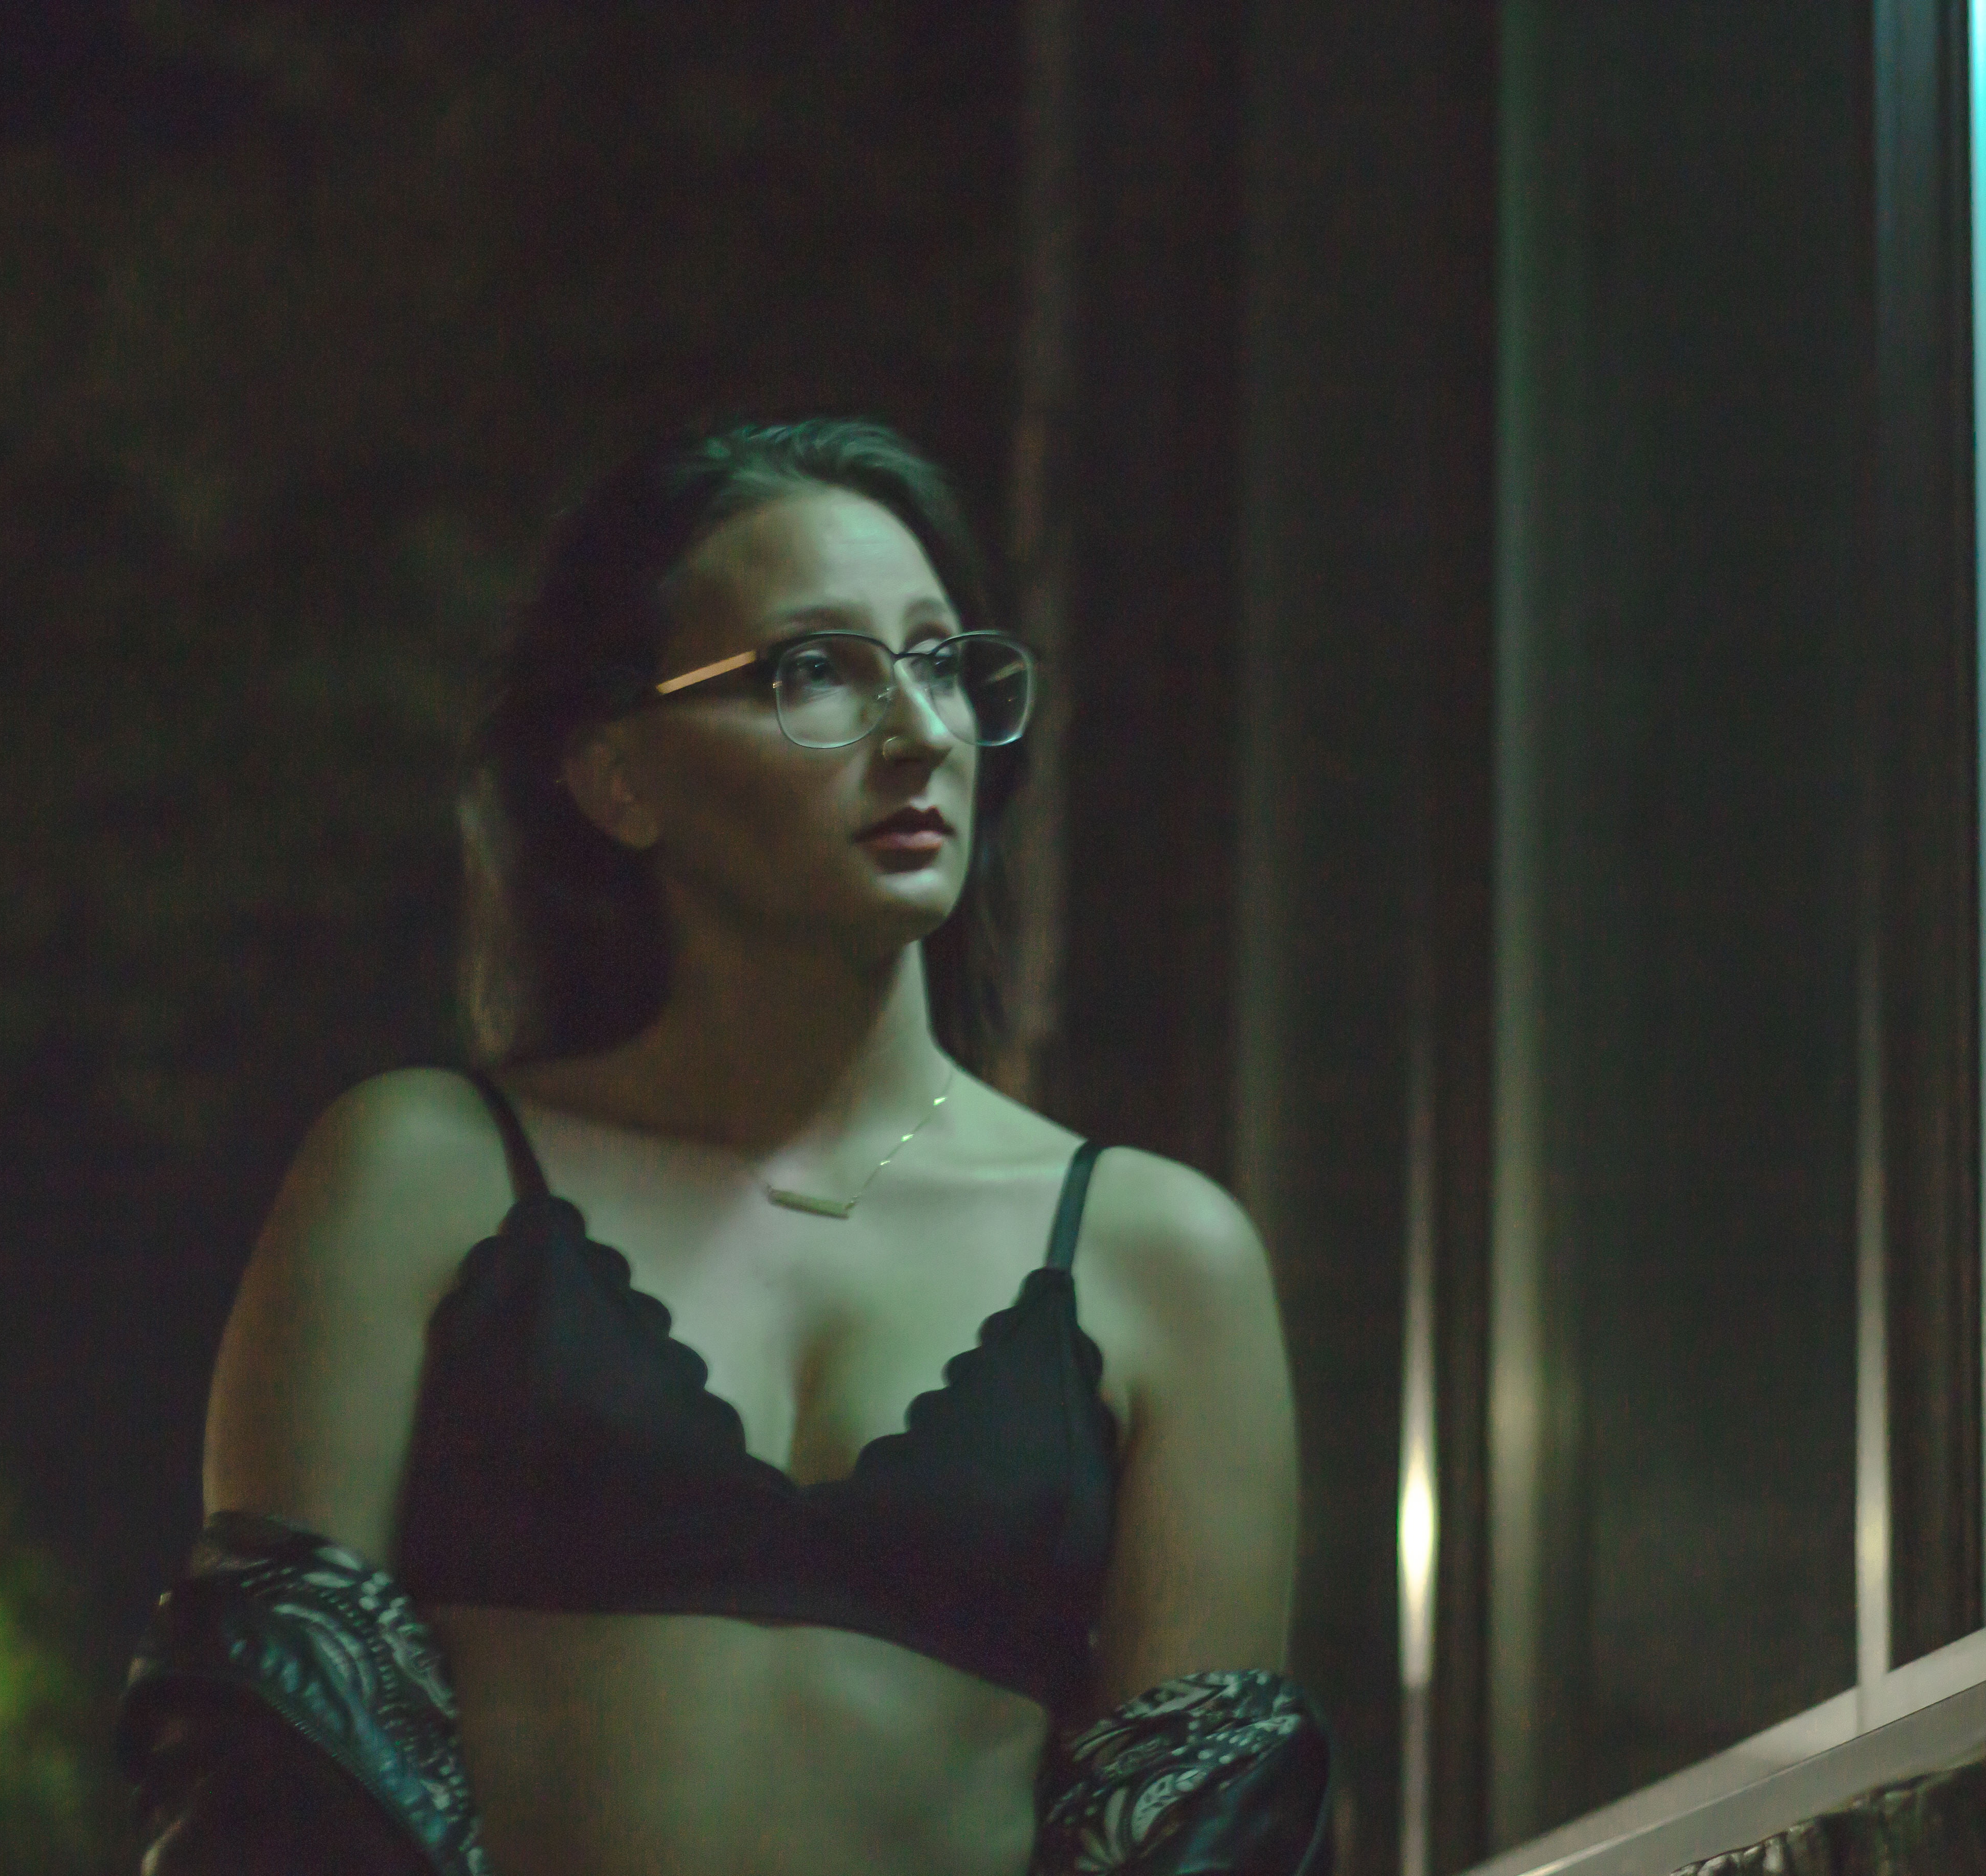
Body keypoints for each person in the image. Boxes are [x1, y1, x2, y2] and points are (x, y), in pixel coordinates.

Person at [118, 418, 1328, 1876]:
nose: (920, 733)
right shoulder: (422, 1174)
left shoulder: (1158, 1256)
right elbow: (271, 1785)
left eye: (940, 661)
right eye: (815, 670)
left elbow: (1203, 1841)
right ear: (618, 777)